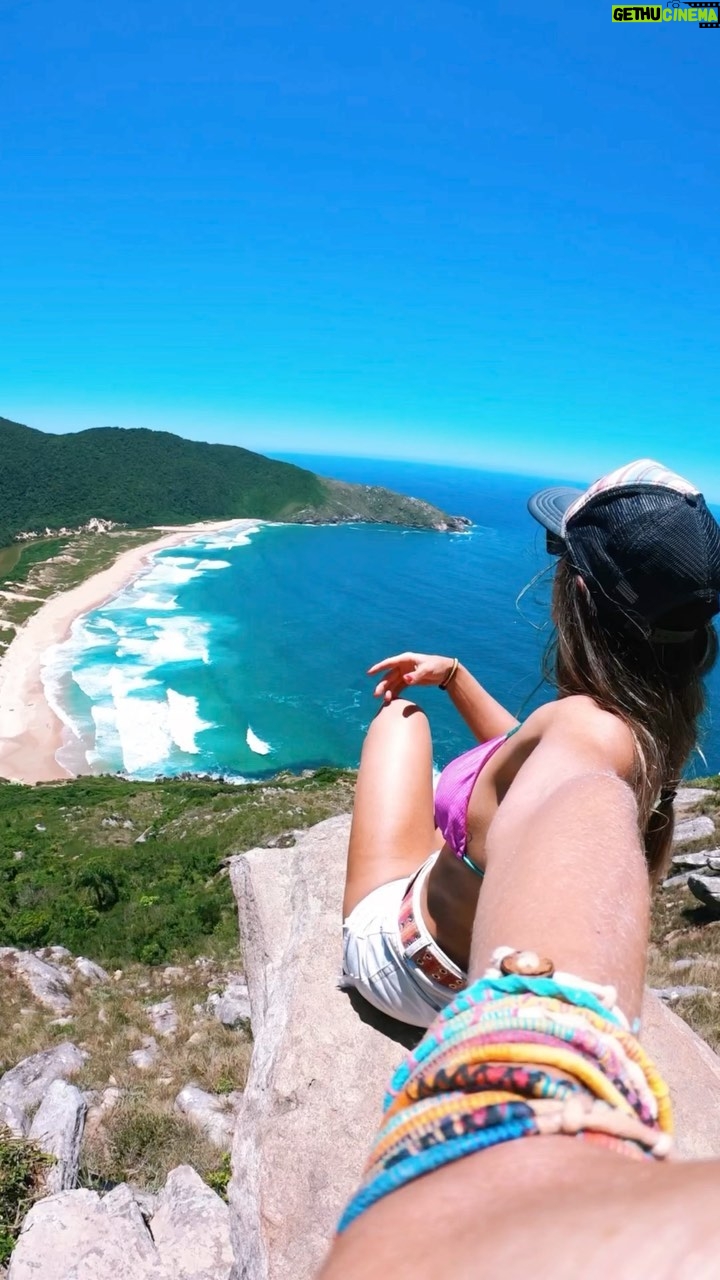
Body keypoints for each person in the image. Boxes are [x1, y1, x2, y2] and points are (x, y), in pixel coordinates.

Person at [340, 459, 720, 1028]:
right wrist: (454, 677)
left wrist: (548, 1038)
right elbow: (535, 762)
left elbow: (572, 792)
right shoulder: (652, 727)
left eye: (557, 552)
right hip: (451, 971)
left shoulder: (588, 729)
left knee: (401, 719)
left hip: (406, 969)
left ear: (580, 592)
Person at [321, 769, 720, 1280]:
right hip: (469, 978)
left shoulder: (583, 771)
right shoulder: (626, 790)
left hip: (409, 963)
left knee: (401, 728)